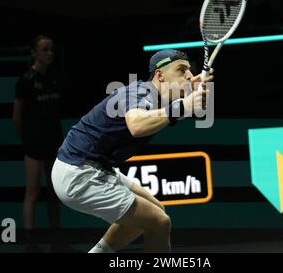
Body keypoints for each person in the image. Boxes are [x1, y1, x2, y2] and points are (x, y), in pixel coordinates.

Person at [51, 49, 213, 253]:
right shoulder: (139, 92)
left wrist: (191, 94)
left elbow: (168, 114)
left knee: (156, 211)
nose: (189, 75)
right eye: (181, 70)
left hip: (95, 168)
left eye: (190, 71)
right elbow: (136, 125)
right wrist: (184, 105)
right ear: (160, 75)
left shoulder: (159, 101)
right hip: (78, 172)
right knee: (159, 222)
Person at [13, 35, 64, 252]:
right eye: (44, 49)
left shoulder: (55, 77)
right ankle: (31, 241)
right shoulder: (25, 81)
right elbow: (16, 117)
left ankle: (56, 240)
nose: (49, 53)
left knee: (55, 192)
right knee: (32, 191)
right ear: (34, 52)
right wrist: (27, 139)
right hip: (34, 145)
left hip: (54, 142)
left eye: (51, 49)